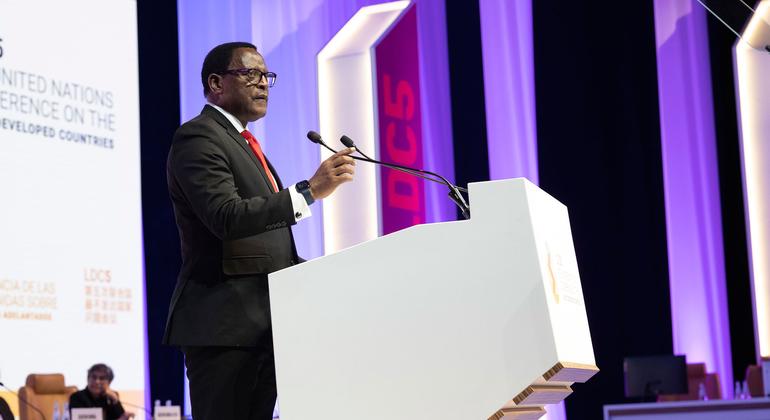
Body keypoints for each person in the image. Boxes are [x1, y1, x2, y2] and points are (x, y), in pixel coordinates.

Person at [163, 42, 356, 420]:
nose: (263, 84)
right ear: (216, 83)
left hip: (264, 326)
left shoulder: (246, 144)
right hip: (224, 329)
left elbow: (264, 239)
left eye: (267, 76)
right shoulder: (198, 137)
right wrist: (306, 192)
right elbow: (226, 216)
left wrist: (325, 276)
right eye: (250, 74)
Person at [69, 364, 134, 420]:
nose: (97, 382)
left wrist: (115, 401)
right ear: (87, 379)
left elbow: (121, 417)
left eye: (102, 378)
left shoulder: (111, 396)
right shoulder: (77, 397)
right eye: (93, 377)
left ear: (109, 382)